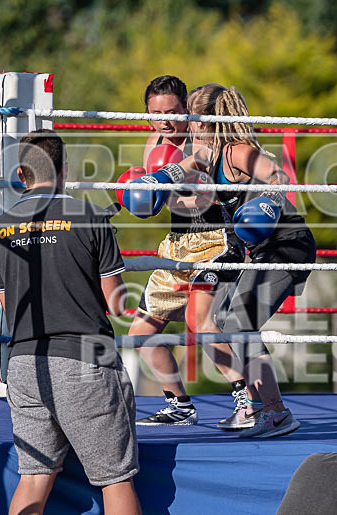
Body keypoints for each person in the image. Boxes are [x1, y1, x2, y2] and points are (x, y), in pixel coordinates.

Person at [0, 129, 140, 514]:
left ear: (21, 176)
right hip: (85, 354)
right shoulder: (88, 216)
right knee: (114, 479)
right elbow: (117, 302)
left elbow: (9, 308)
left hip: (23, 362)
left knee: (34, 477)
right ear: (64, 170)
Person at [187, 83, 317, 437]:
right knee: (224, 320)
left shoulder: (235, 150)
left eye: (191, 116)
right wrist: (145, 186)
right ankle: (260, 407)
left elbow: (278, 175)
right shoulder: (206, 154)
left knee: (238, 321)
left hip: (287, 244)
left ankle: (277, 411)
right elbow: (178, 177)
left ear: (204, 120)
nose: (187, 123)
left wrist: (269, 201)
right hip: (261, 250)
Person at [125, 75, 250, 428]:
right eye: (156, 112)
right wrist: (144, 194)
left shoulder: (203, 140)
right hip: (177, 242)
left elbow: (205, 190)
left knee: (201, 322)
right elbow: (157, 203)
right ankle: (180, 406)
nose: (165, 119)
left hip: (215, 239)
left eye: (173, 111)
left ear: (187, 110)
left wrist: (167, 179)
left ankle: (246, 399)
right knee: (141, 334)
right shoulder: (153, 143)